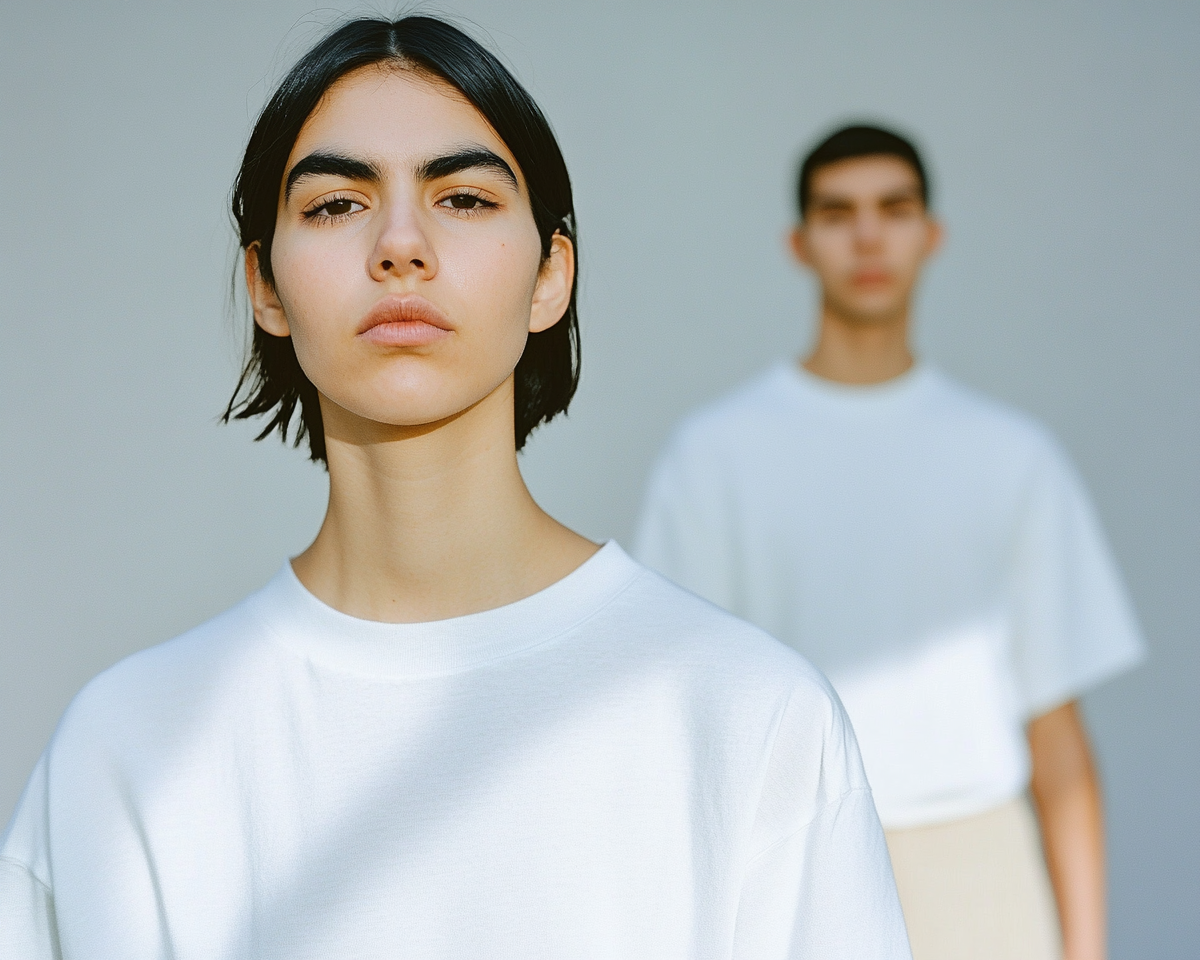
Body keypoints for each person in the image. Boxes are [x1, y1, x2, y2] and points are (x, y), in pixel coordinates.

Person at [0, 21, 911, 959]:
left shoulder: (747, 716)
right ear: (263, 284)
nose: (401, 244)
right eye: (334, 204)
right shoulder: (126, 753)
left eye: (465, 197)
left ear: (552, 274)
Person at [635, 124, 1144, 960]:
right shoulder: (716, 455)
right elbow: (683, 725)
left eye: (893, 209)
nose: (868, 236)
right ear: (799, 244)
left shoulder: (1011, 456)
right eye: (838, 213)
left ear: (930, 234)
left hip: (982, 866)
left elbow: (1059, 746)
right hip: (791, 866)